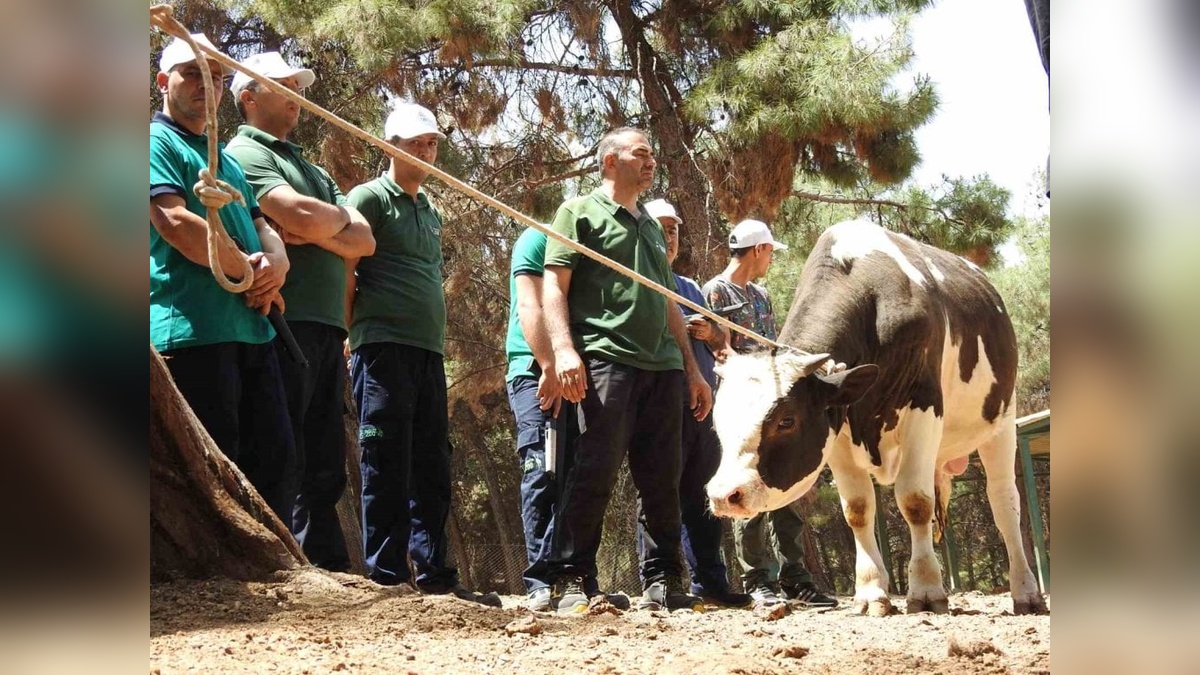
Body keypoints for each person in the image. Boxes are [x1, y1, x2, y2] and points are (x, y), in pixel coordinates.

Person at [542, 127, 713, 614]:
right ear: (610, 162)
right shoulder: (577, 212)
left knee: (663, 478)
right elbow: (554, 286)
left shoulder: (653, 227)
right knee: (592, 468)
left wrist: (692, 371)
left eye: (653, 153)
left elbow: (668, 303)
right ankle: (573, 579)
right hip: (605, 358)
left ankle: (663, 580)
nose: (651, 161)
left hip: (662, 368)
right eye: (641, 153)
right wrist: (564, 350)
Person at [225, 51, 376, 572]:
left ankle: (325, 564)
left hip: (328, 325)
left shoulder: (307, 164)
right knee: (281, 443)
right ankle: (281, 559)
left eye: (297, 83)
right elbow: (294, 214)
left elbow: (364, 241)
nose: (296, 92)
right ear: (248, 95)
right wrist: (322, 223)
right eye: (282, 84)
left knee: (323, 452)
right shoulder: (243, 152)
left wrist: (317, 228)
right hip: (281, 321)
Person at [345, 103, 498, 606]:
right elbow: (345, 272)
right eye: (416, 143)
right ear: (390, 145)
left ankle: (435, 576)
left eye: (432, 142)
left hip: (428, 353)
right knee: (384, 459)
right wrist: (352, 336)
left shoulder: (430, 208)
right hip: (381, 348)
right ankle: (385, 577)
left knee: (432, 463)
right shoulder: (368, 197)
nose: (427, 151)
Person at [149, 34, 294, 520]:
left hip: (251, 329)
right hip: (192, 331)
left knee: (274, 460)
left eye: (217, 77)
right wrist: (247, 272)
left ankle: (283, 575)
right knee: (216, 467)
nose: (206, 86)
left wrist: (276, 265)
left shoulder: (225, 159)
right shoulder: (151, 142)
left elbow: (262, 228)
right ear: (162, 81)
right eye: (192, 74)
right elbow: (173, 221)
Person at [702, 218, 838, 610]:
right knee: (745, 485)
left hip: (773, 400)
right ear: (758, 250)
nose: (770, 262)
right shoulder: (715, 291)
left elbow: (776, 348)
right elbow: (720, 349)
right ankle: (758, 578)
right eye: (769, 254)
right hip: (741, 407)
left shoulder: (760, 296)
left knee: (785, 487)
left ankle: (796, 577)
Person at [504, 226, 633, 613]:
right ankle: (541, 581)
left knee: (583, 474)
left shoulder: (585, 250)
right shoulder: (535, 239)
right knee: (544, 471)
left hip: (579, 373)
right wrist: (547, 363)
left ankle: (578, 577)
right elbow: (530, 305)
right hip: (536, 371)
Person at [642, 199, 752, 609]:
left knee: (706, 493)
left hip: (704, 404)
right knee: (660, 490)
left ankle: (711, 582)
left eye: (674, 229)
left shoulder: (690, 287)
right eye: (661, 228)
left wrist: (710, 333)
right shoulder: (635, 277)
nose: (669, 236)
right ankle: (661, 581)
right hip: (659, 397)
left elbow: (725, 343)